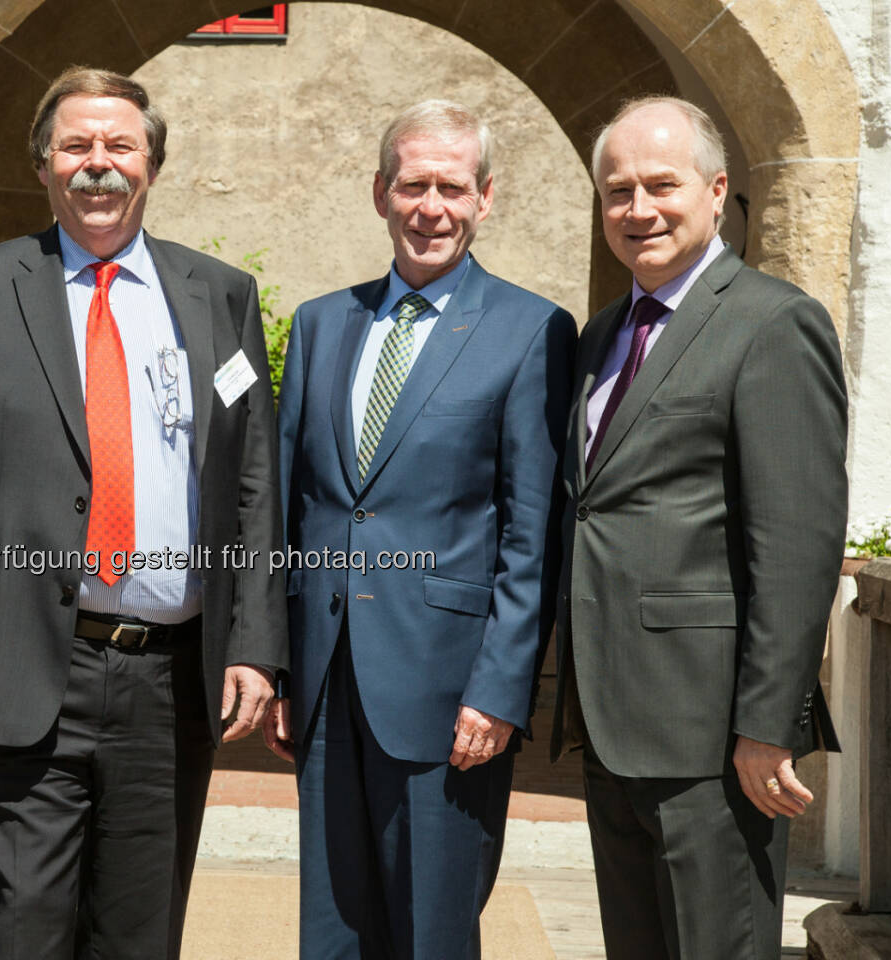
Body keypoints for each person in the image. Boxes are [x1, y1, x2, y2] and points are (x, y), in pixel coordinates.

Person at [0, 66, 285, 959]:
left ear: (152, 165)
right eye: (76, 146)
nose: (97, 166)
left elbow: (251, 479)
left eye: (119, 147)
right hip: (26, 664)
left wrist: (257, 643)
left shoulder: (219, 295)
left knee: (140, 932)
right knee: (30, 924)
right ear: (43, 165)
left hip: (169, 680)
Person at [270, 100, 576, 958]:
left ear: (485, 198)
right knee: (331, 928)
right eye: (412, 185)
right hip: (328, 682)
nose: (429, 207)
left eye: (451, 187)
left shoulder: (532, 331)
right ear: (380, 194)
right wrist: (285, 665)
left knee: (433, 931)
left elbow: (531, 533)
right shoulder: (323, 322)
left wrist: (499, 689)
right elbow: (295, 511)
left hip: (449, 695)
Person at [550, 96, 847, 960]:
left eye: (660, 185)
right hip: (613, 723)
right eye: (617, 191)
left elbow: (796, 542)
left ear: (717, 192)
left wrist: (766, 724)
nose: (638, 209)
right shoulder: (604, 333)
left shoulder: (773, 322)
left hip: (714, 740)